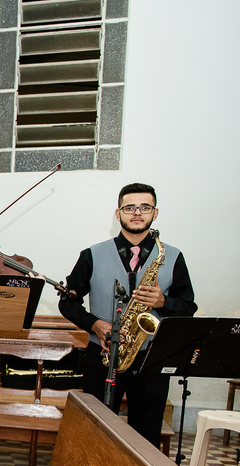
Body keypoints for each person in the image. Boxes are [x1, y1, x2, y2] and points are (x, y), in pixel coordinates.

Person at [58, 182, 196, 447]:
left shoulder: (174, 257)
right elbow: (68, 302)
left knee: (147, 436)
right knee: (95, 431)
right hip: (102, 356)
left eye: (145, 207)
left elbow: (188, 307)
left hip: (151, 359)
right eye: (129, 207)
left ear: (155, 213)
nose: (137, 212)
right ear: (117, 212)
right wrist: (95, 324)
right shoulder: (91, 255)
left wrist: (163, 300)